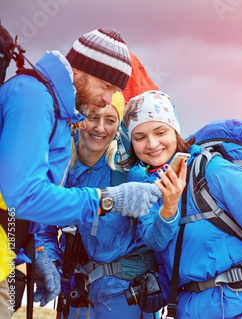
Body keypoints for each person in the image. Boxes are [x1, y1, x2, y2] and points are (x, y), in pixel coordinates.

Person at [0, 28, 162, 316]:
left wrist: (38, 252)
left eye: (115, 91)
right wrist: (106, 200)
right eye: (106, 85)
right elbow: (21, 196)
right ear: (81, 70)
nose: (107, 98)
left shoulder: (55, 110)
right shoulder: (34, 98)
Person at [123, 90, 242, 319]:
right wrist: (168, 208)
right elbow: (157, 242)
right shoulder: (149, 187)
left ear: (175, 131)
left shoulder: (214, 172)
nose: (152, 144)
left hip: (238, 307)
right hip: (187, 309)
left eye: (160, 132)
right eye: (140, 137)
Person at [37, 92, 184, 318]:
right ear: (78, 119)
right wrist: (49, 261)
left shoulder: (130, 170)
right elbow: (44, 227)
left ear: (118, 126)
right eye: (93, 117)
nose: (100, 128)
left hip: (125, 297)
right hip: (77, 295)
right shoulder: (60, 166)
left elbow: (156, 238)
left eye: (110, 120)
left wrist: (167, 211)